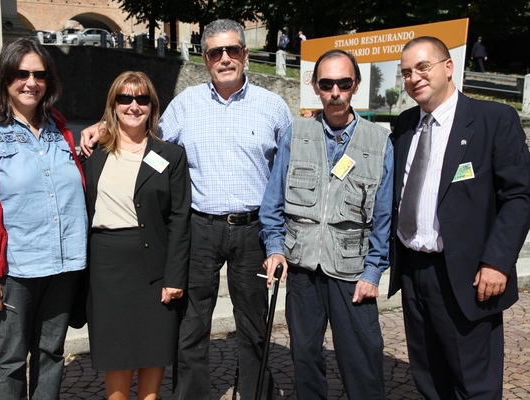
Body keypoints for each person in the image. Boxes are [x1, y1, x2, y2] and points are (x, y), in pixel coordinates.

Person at [80, 18, 292, 400]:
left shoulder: (273, 107)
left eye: (232, 50)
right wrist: (103, 126)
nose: (224, 58)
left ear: (245, 54)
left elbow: (287, 171)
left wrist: (279, 237)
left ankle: (256, 394)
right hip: (201, 227)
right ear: (206, 58)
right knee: (191, 327)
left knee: (253, 325)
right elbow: (142, 134)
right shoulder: (185, 104)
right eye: (215, 52)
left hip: (252, 229)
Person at [388, 36, 530, 399]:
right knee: (428, 377)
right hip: (413, 270)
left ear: (448, 67)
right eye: (406, 72)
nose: (414, 78)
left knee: (473, 383)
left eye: (423, 67)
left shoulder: (492, 119)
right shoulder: (404, 124)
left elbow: (519, 195)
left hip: (468, 274)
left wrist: (497, 261)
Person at [0, 38, 87, 399]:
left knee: (51, 352)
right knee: (10, 357)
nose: (31, 82)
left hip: (64, 264)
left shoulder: (57, 124)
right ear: (4, 76)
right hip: (14, 269)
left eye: (40, 74)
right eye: (21, 74)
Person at [259, 49, 392, 399]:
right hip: (302, 267)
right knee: (304, 356)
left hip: (352, 271)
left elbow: (384, 219)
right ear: (316, 87)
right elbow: (272, 203)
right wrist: (275, 249)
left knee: (362, 359)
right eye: (327, 84)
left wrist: (373, 272)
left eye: (344, 84)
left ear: (356, 86)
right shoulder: (296, 133)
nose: (335, 92)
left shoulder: (379, 142)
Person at [82, 71, 191, 400]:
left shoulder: (170, 155)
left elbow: (179, 218)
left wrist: (174, 276)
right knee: (115, 346)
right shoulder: (94, 151)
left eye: (142, 99)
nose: (133, 106)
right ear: (113, 105)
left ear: (152, 106)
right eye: (125, 98)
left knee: (152, 344)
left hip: (152, 264)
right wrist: (100, 128)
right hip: (107, 264)